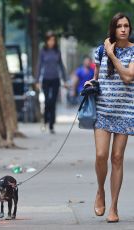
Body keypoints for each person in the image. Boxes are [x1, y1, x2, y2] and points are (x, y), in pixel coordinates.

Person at [85, 13, 134, 223]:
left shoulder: (132, 51)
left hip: (125, 112)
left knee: (117, 158)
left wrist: (112, 54)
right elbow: (97, 77)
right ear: (113, 29)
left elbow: (128, 76)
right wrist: (90, 84)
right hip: (103, 110)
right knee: (101, 155)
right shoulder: (99, 50)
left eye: (126, 26)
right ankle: (100, 190)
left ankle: (113, 206)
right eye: (119, 26)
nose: (123, 29)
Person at [36, 31, 67, 134]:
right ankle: (45, 121)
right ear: (46, 41)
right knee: (47, 102)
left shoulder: (57, 51)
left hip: (55, 79)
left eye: (53, 40)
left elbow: (61, 66)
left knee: (53, 102)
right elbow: (39, 66)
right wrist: (37, 80)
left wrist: (65, 80)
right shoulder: (43, 51)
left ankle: (51, 125)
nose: (51, 42)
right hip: (45, 79)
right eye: (49, 40)